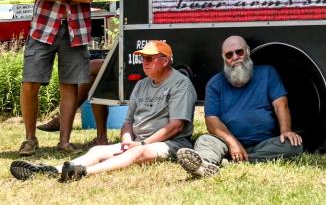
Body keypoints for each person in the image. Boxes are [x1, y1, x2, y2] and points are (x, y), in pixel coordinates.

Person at [9, 40, 196, 182]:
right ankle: (51, 170)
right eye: (142, 58)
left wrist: (142, 144)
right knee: (98, 149)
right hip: (138, 142)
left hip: (171, 143)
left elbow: (176, 126)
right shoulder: (141, 85)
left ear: (164, 61)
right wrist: (126, 139)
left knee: (136, 154)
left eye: (148, 58)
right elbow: (128, 122)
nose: (143, 62)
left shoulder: (180, 84)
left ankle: (83, 172)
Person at [18, 0, 99, 155]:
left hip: (76, 31)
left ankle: (64, 141)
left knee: (70, 86)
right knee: (30, 83)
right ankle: (30, 139)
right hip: (44, 28)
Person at [176, 35, 302, 178]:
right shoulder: (215, 83)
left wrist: (285, 131)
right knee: (204, 140)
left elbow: (281, 105)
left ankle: (230, 162)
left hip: (264, 142)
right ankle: (204, 164)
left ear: (247, 52)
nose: (235, 57)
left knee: (292, 145)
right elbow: (212, 121)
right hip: (226, 144)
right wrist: (232, 143)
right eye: (229, 55)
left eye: (239, 52)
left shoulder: (267, 73)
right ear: (224, 58)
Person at [37, 57, 109, 145]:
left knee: (89, 67)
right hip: (126, 69)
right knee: (96, 79)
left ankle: (62, 119)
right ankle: (101, 138)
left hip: (126, 71)